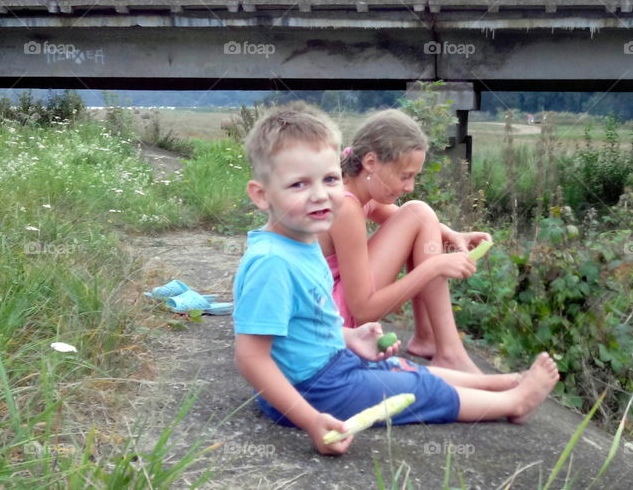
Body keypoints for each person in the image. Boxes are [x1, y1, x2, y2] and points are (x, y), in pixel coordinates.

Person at [233, 103, 560, 455]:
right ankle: (514, 402)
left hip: (327, 365)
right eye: (299, 184)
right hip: (314, 390)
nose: (321, 195)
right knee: (416, 392)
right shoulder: (273, 262)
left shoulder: (303, 237)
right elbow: (251, 356)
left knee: (398, 366)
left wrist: (350, 336)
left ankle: (502, 382)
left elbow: (307, 321)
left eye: (330, 179)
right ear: (261, 195)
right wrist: (311, 419)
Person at [317, 109, 489, 374]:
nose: (409, 187)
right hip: (334, 316)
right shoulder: (346, 207)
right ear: (371, 162)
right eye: (405, 176)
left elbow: (414, 221)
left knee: (420, 212)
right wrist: (434, 267)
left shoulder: (353, 184)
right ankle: (449, 352)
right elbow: (362, 310)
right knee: (419, 210)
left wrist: (452, 235)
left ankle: (429, 339)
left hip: (334, 302)